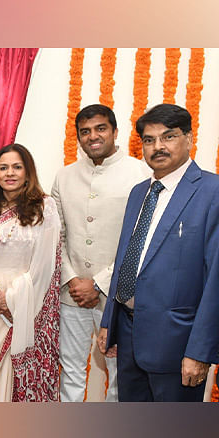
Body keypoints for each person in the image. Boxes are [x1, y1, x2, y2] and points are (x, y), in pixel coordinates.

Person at [98, 104, 219, 401]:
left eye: (168, 137)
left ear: (189, 138)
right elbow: (128, 257)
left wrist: (200, 352)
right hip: (128, 337)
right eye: (149, 140)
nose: (158, 147)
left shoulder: (212, 191)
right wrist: (108, 322)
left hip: (178, 346)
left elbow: (216, 280)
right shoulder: (140, 191)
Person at [51, 104, 149, 402]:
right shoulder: (64, 176)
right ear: (78, 137)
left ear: (115, 131)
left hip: (118, 296)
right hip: (72, 295)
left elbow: (140, 238)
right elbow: (56, 235)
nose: (93, 136)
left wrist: (98, 283)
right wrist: (72, 279)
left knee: (119, 373)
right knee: (70, 370)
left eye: (100, 128)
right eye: (85, 131)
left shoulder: (140, 173)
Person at [0, 143, 61, 402]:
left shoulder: (45, 207)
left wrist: (15, 301)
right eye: (3, 168)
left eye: (17, 167)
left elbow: (46, 265)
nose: (10, 173)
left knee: (20, 375)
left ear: (27, 173)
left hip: (30, 300)